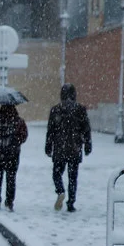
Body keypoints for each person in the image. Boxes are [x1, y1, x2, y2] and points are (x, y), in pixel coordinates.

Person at [45, 83, 92, 212]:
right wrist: (87, 144)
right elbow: (86, 129)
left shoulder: (55, 110)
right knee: (73, 177)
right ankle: (71, 203)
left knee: (57, 173)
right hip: (75, 147)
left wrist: (48, 147)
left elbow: (51, 131)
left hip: (60, 147)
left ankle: (60, 190)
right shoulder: (80, 109)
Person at [0, 104, 28, 211]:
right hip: (13, 154)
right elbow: (23, 136)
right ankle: (9, 201)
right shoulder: (19, 122)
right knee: (11, 178)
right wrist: (15, 141)